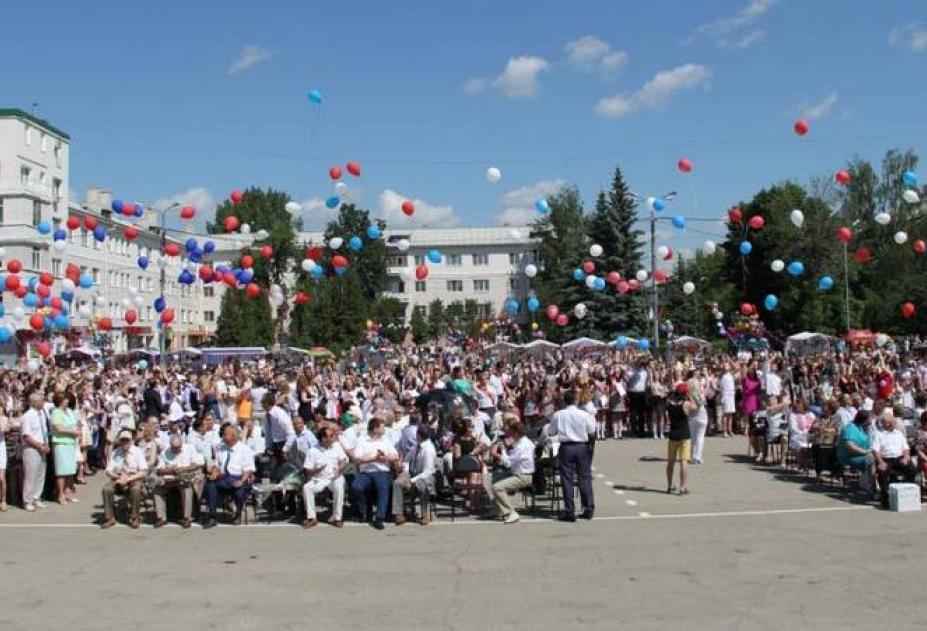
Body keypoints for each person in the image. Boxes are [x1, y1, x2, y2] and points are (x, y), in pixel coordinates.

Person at [549, 390, 596, 521]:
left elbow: (551, 431)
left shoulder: (558, 414)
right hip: (581, 446)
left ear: (565, 401)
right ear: (576, 400)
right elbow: (592, 430)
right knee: (584, 477)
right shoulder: (584, 414)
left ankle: (569, 510)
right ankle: (588, 508)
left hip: (567, 446)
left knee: (567, 479)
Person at [203, 422, 256, 528]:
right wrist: (214, 472)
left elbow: (248, 470)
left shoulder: (244, 449)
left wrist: (241, 481)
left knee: (240, 492)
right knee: (210, 485)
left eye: (225, 435)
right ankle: (213, 517)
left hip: (239, 478)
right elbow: (217, 465)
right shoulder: (220, 448)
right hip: (224, 478)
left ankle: (237, 514)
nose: (223, 437)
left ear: (233, 436)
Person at [351, 417, 399, 530]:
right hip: (366, 472)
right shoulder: (362, 440)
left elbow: (395, 456)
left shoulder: (385, 440)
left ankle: (379, 518)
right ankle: (365, 510)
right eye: (382, 427)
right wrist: (373, 458)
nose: (384, 429)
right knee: (356, 487)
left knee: (383, 487)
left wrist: (385, 457)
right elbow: (357, 459)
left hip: (382, 471)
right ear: (375, 428)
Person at [486, 421, 535, 524]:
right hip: (518, 472)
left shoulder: (522, 446)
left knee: (497, 487)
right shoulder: (525, 442)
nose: (509, 435)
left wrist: (502, 450)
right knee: (497, 476)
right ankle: (500, 510)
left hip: (522, 476)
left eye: (511, 433)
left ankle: (512, 512)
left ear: (516, 433)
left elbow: (508, 463)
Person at [153, 434, 204, 528]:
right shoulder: (165, 452)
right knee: (157, 489)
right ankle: (161, 517)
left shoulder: (190, 448)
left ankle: (186, 518)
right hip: (170, 477)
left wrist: (184, 469)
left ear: (182, 444)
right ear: (170, 445)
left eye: (178, 447)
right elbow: (159, 470)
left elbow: (197, 464)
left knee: (187, 488)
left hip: (185, 477)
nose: (176, 450)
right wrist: (170, 470)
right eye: (174, 448)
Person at [302, 426, 348, 529]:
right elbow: (307, 470)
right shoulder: (313, 451)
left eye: (333, 436)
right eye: (330, 436)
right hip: (319, 479)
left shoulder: (337, 446)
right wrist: (317, 470)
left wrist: (339, 469)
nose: (333, 438)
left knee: (339, 486)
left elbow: (343, 461)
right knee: (307, 488)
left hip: (334, 477)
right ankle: (311, 518)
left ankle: (337, 518)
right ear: (323, 438)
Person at [100, 430, 148, 529]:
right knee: (106, 489)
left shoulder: (137, 451)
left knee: (136, 489)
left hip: (133, 477)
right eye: (123, 440)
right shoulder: (115, 452)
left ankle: (135, 517)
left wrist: (128, 479)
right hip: (118, 476)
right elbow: (108, 470)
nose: (125, 443)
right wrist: (115, 476)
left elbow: (143, 471)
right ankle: (110, 518)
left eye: (127, 440)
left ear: (131, 441)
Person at [871, 409, 917, 508]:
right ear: (883, 423)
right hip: (886, 459)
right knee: (882, 473)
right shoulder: (878, 434)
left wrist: (906, 457)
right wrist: (881, 462)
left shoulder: (898, 434)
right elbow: (875, 450)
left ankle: (908, 493)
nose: (891, 424)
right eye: (888, 423)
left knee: (912, 470)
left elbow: (905, 448)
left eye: (891, 422)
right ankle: (885, 497)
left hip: (899, 458)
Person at [393, 425, 437, 526]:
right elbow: (408, 461)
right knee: (397, 482)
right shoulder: (416, 446)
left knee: (421, 484)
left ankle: (425, 514)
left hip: (425, 476)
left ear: (418, 435)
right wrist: (404, 469)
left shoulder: (428, 449)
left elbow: (427, 472)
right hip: (413, 473)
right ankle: (398, 514)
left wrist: (411, 481)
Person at [20, 392, 50, 512]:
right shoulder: (27, 416)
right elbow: (26, 436)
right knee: (30, 475)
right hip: (31, 448)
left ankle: (36, 497)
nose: (43, 402)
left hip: (42, 446)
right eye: (41, 400)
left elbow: (44, 430)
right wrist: (39, 446)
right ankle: (27, 501)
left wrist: (46, 444)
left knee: (40, 474)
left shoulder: (41, 414)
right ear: (34, 402)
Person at [49, 391, 79, 504]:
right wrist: (73, 432)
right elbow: (58, 428)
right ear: (60, 400)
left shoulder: (70, 411)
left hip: (71, 443)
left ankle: (68, 492)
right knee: (61, 471)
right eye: (66, 399)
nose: (68, 400)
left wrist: (76, 431)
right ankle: (60, 494)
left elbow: (76, 423)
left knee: (70, 469)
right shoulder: (56, 412)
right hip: (61, 443)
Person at [666, 382, 694, 495]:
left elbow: (669, 399)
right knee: (684, 461)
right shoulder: (686, 404)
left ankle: (669, 485)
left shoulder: (669, 403)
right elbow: (696, 406)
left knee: (670, 462)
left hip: (673, 434)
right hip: (684, 434)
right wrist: (690, 395)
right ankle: (682, 487)